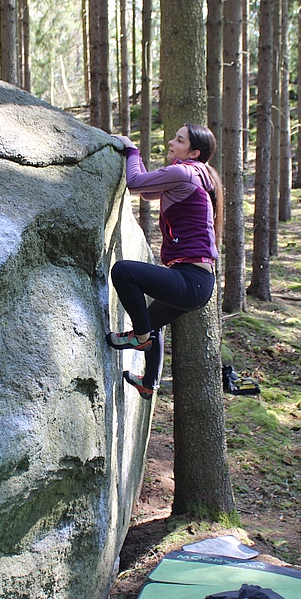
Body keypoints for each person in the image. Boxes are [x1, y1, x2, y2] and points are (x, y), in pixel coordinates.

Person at [106, 124, 223, 398]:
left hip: (190, 280)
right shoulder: (199, 175)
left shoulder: (184, 172)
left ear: (194, 152)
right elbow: (147, 190)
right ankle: (149, 383)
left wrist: (131, 149)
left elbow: (135, 183)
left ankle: (140, 337)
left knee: (123, 272)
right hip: (199, 283)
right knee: (151, 320)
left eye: (179, 140)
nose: (171, 142)